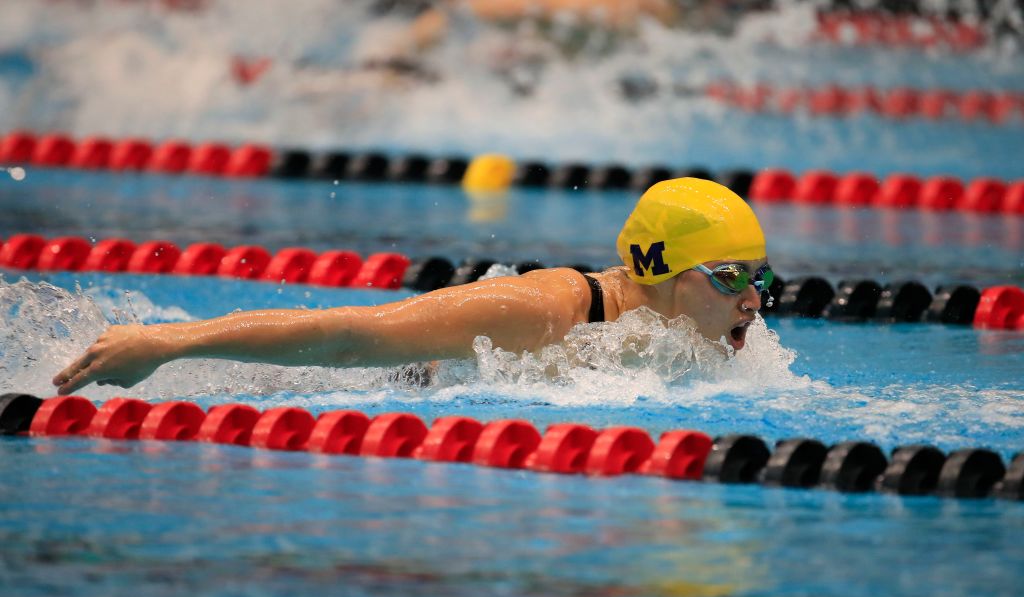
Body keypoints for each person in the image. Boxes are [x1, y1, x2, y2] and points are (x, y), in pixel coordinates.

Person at [52, 177, 772, 395]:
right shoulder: (542, 309)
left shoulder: (702, 339)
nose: (754, 299)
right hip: (337, 386)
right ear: (658, 270)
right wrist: (164, 342)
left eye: (761, 276)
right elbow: (348, 336)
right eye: (732, 275)